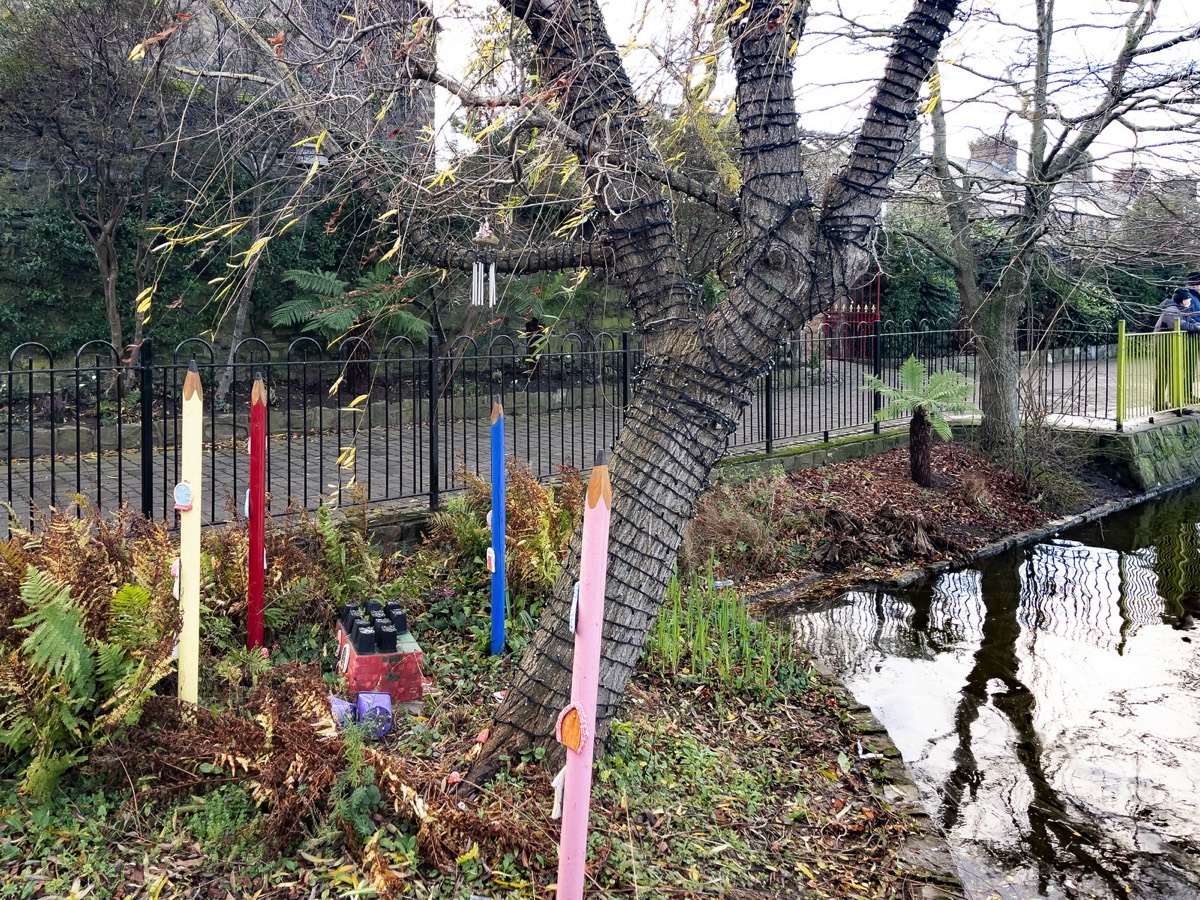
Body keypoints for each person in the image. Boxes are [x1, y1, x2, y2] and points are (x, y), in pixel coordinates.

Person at [1153, 288, 1200, 412]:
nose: (1190, 300)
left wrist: (1197, 326)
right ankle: (1171, 404)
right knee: (1167, 374)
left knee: (1171, 373)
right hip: (1164, 344)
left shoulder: (1180, 309)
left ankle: (1167, 404)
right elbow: (1179, 325)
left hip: (1170, 343)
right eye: (1188, 299)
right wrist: (1197, 328)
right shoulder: (1171, 311)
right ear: (1183, 300)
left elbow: (1190, 321)